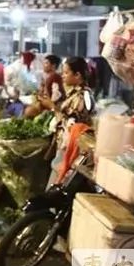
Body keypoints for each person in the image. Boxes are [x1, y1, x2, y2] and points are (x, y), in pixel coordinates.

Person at [37, 56, 95, 186]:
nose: (62, 76)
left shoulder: (83, 96)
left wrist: (52, 106)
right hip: (64, 143)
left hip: (71, 145)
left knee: (59, 180)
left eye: (66, 72)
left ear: (77, 75)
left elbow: (74, 122)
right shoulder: (73, 93)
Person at [25, 54, 65, 119]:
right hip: (45, 105)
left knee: (30, 111)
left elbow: (55, 97)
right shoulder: (46, 78)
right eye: (43, 63)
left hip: (51, 108)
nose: (43, 65)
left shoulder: (55, 77)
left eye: (46, 63)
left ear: (53, 66)